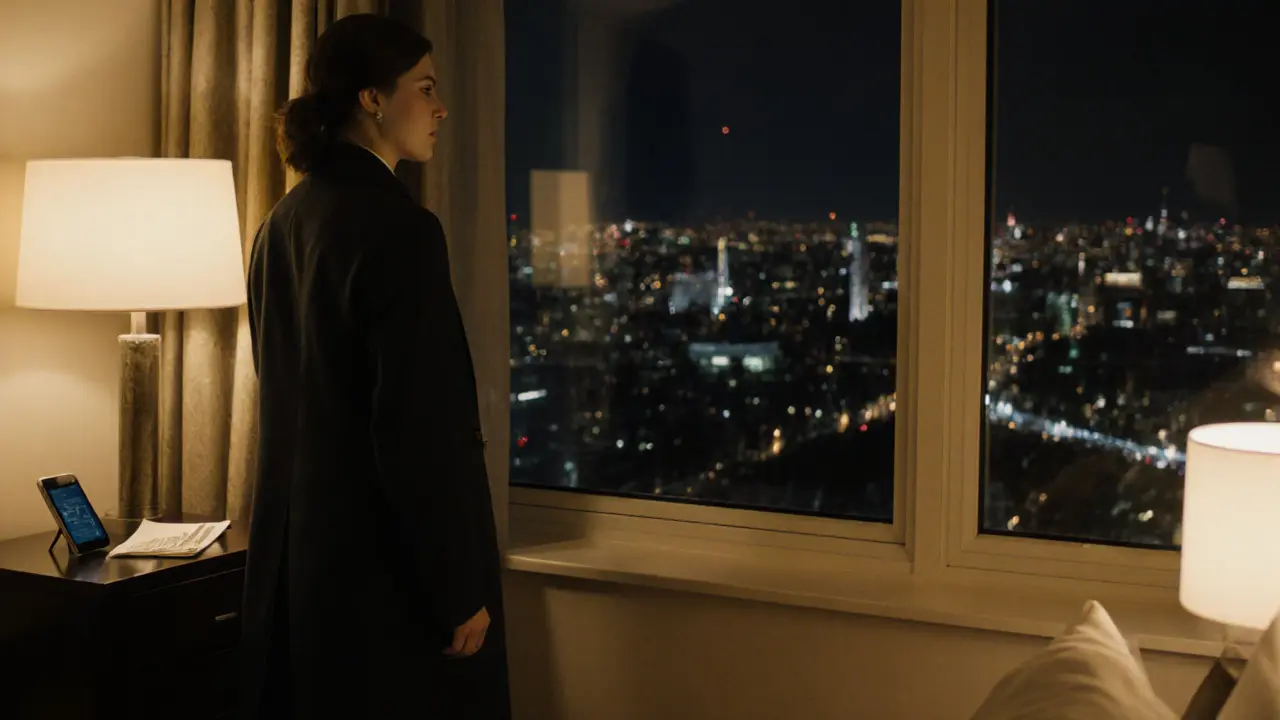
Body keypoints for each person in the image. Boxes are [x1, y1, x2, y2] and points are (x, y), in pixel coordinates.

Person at [241, 14, 509, 719]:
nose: (440, 107)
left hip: (304, 575)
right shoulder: (400, 230)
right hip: (388, 582)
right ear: (371, 99)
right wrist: (456, 587)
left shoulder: (281, 224)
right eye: (424, 87)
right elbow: (418, 430)